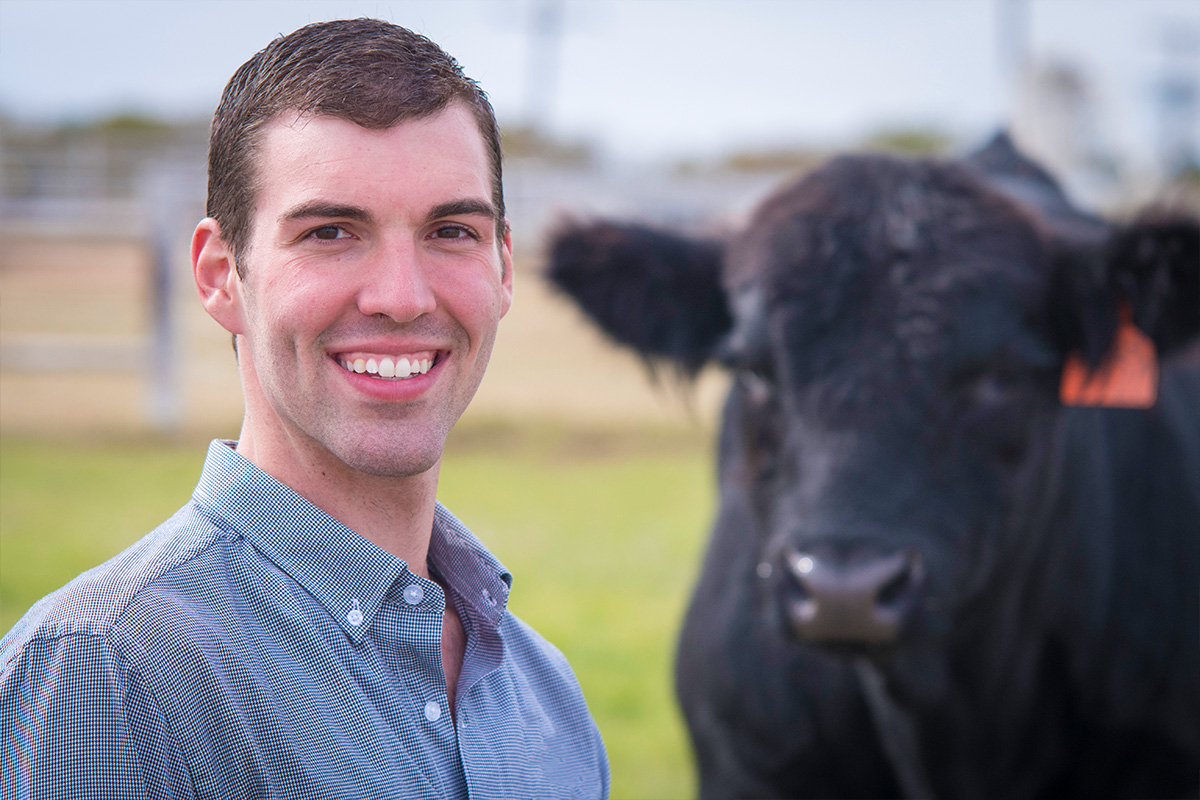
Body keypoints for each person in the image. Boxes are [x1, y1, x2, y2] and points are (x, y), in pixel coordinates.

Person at [0, 18, 609, 799]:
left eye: (451, 231)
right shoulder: (106, 671)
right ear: (222, 274)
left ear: (503, 269)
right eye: (331, 232)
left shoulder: (544, 696)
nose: (401, 297)